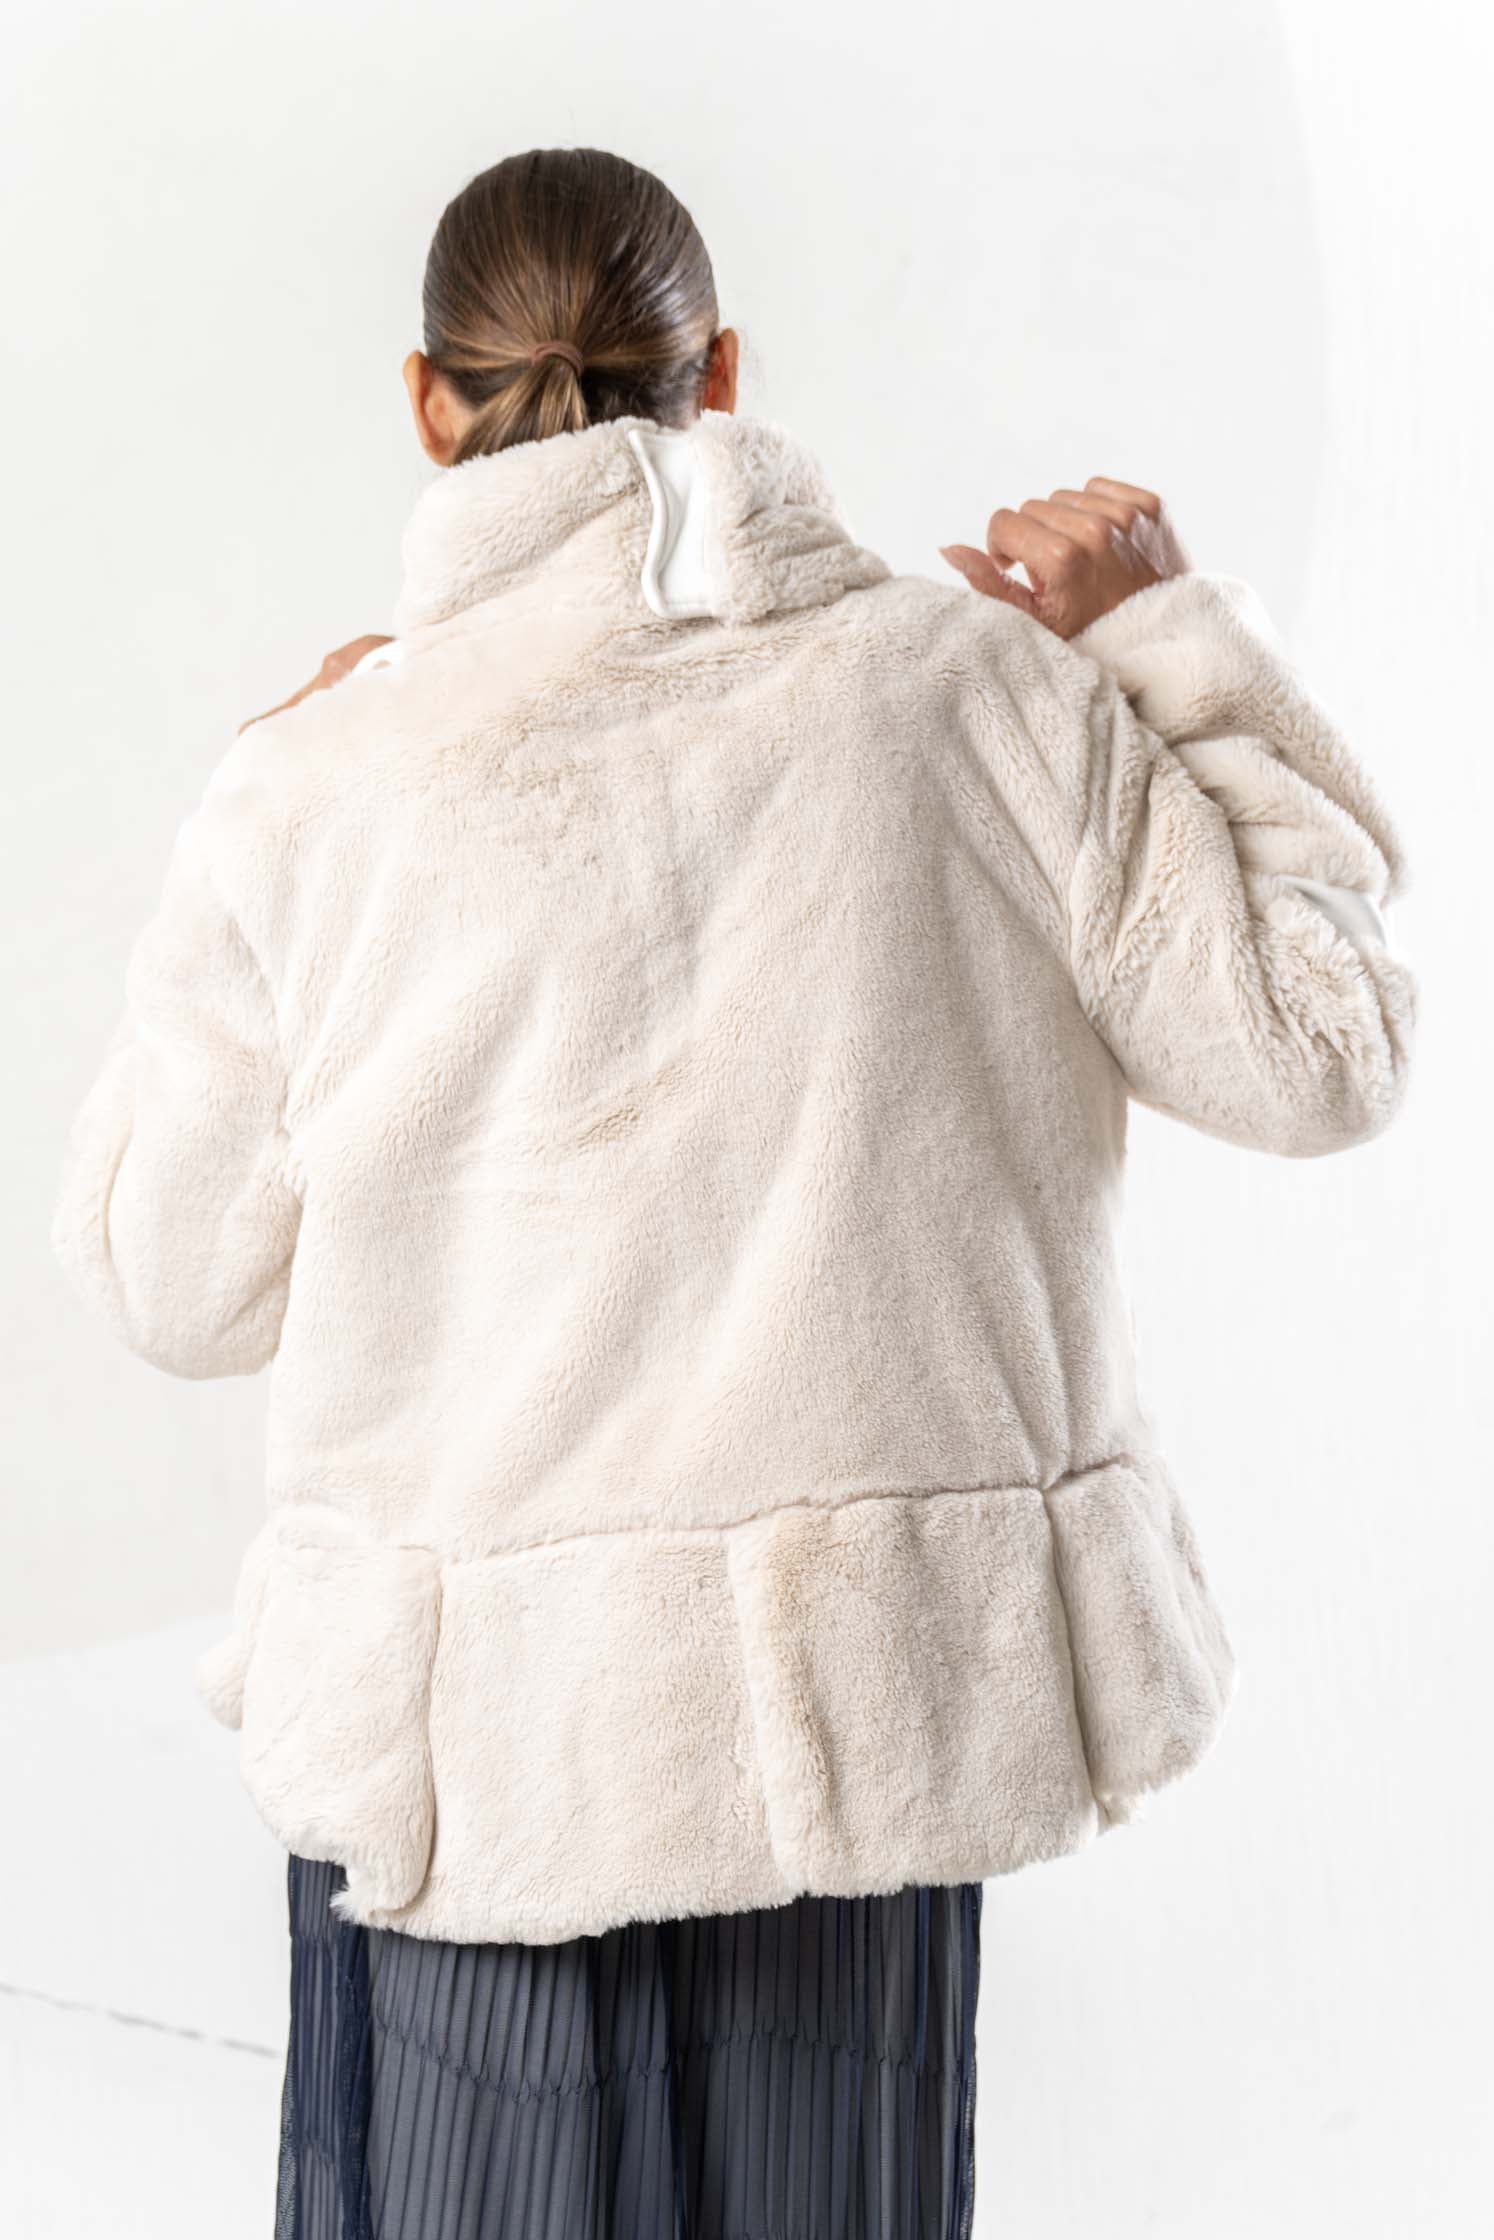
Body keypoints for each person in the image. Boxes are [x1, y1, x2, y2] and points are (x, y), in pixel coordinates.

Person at [51, 145, 1416, 2239]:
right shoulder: (979, 696)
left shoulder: (327, 786)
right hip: (854, 1750)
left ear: (427, 402)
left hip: (483, 1769)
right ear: (721, 375)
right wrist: (1173, 644)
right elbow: (1322, 1054)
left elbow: (174, 1281)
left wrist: (242, 816)